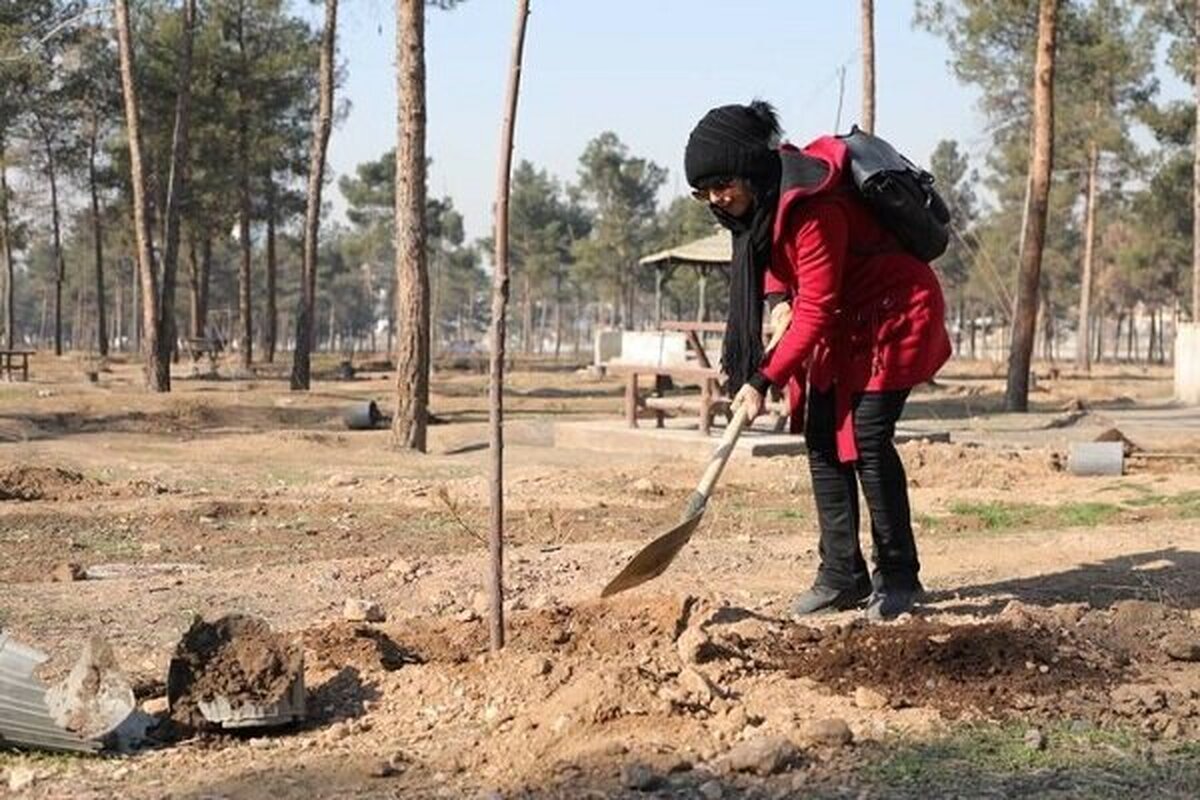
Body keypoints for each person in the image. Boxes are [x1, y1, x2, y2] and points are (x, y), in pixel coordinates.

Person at [684, 101, 951, 621]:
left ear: (750, 170)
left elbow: (821, 304)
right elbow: (782, 267)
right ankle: (841, 577)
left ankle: (899, 577)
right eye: (705, 190)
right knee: (822, 438)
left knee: (869, 439)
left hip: (891, 317)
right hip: (843, 324)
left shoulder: (814, 204)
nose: (718, 197)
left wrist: (763, 378)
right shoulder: (761, 207)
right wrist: (782, 296)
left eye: (724, 183)